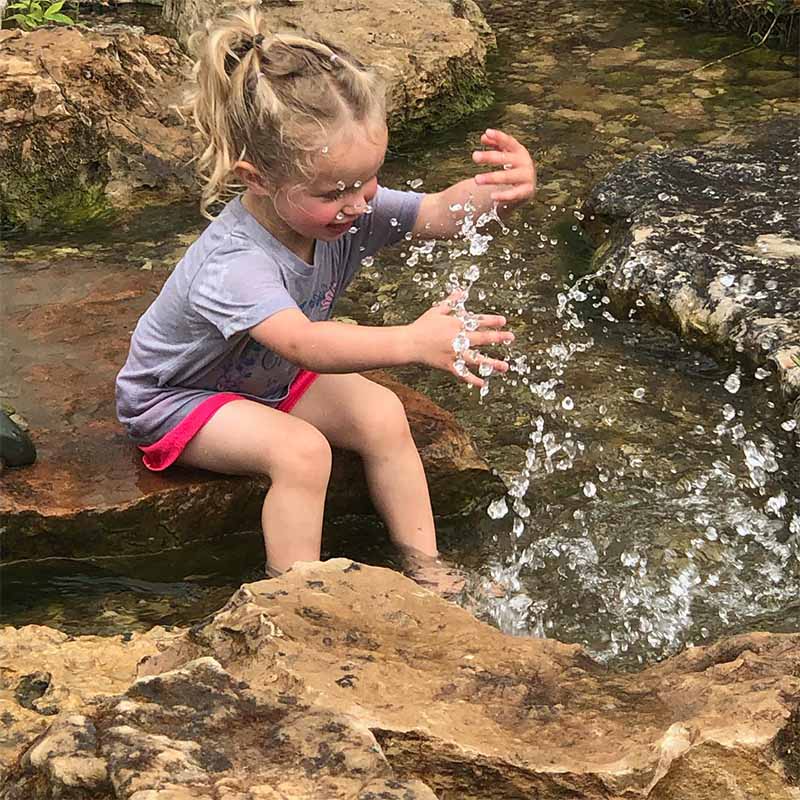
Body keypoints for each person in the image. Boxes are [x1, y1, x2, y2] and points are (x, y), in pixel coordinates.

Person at [115, 3, 536, 593]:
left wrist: (501, 190)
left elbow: (440, 211)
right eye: (336, 191)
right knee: (303, 453)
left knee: (382, 414)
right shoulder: (235, 261)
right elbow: (304, 343)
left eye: (368, 180)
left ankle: (427, 568)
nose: (360, 204)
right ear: (257, 178)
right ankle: (297, 598)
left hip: (267, 381)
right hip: (180, 398)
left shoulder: (346, 210)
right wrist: (411, 342)